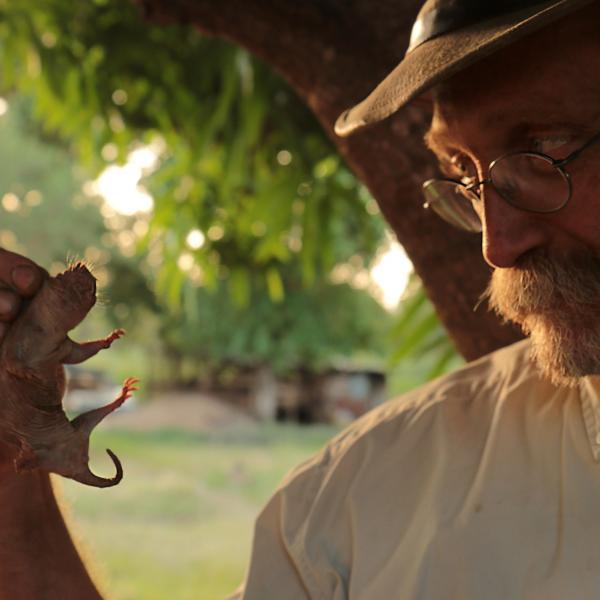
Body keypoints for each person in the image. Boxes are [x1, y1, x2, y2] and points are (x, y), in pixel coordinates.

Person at [1, 1, 599, 599]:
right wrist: (15, 459)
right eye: (465, 174)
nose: (499, 244)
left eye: (546, 147)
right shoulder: (370, 496)